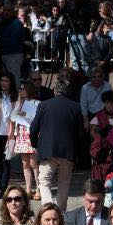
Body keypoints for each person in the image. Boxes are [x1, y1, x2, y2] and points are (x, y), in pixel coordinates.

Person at [29, 78, 84, 211]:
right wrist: (78, 154)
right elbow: (80, 134)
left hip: (47, 150)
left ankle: (49, 211)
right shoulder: (75, 107)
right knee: (64, 183)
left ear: (55, 91)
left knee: (44, 181)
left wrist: (35, 145)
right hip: (67, 152)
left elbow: (33, 128)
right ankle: (59, 213)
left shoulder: (44, 105)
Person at [10, 80, 40, 200]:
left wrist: (26, 114)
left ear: (28, 89)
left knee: (34, 163)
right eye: (20, 89)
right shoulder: (19, 103)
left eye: (23, 89)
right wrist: (18, 108)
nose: (21, 91)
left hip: (31, 134)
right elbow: (12, 118)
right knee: (25, 163)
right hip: (21, 134)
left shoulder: (36, 102)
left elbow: (38, 118)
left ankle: (38, 189)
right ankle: (28, 189)